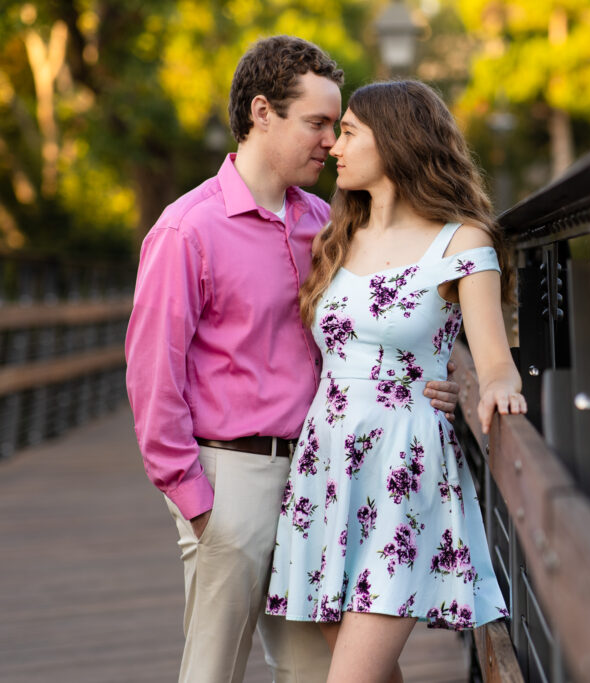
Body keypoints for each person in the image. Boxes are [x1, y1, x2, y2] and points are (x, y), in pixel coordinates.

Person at [124, 37, 462, 683]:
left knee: (314, 670)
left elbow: (383, 315)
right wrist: (196, 499)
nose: (331, 141)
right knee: (212, 670)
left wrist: (433, 381)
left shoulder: (327, 223)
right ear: (261, 113)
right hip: (232, 477)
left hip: (321, 477)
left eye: (337, 126)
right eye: (317, 123)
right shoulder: (187, 229)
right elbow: (151, 374)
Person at [264, 79, 524, 682]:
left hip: (404, 466)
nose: (334, 147)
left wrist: (492, 388)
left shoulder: (462, 240)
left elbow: (492, 357)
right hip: (327, 468)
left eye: (349, 132)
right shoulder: (338, 235)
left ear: (397, 141)